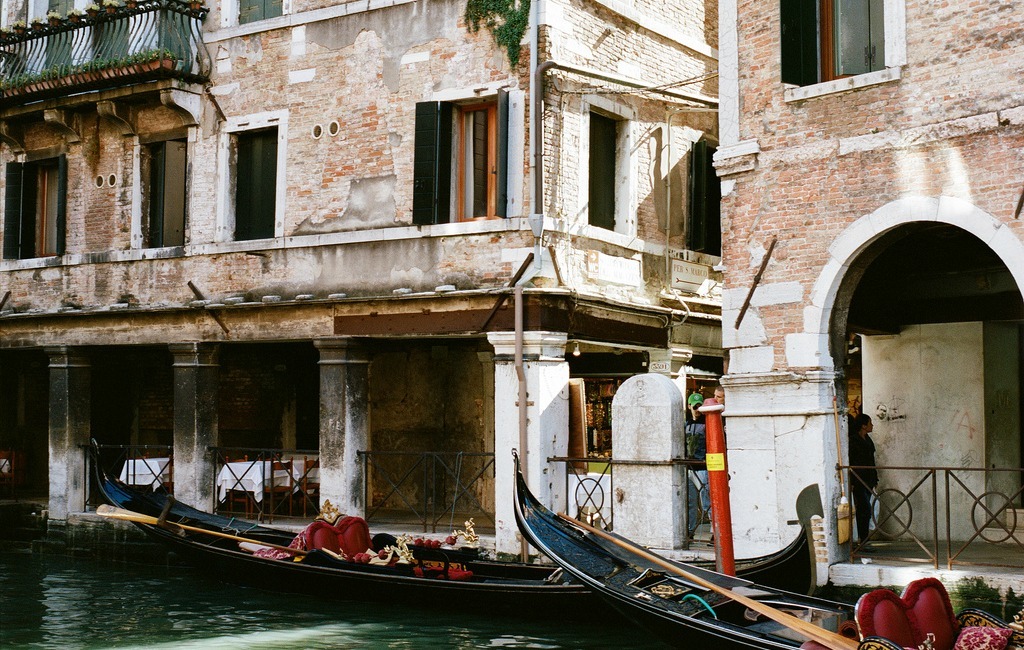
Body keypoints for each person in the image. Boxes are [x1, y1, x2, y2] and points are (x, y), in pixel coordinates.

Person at [848, 413, 878, 542]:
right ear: (863, 426)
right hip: (858, 479)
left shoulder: (868, 440)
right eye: (870, 423)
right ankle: (862, 538)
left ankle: (864, 538)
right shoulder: (854, 440)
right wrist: (852, 480)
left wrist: (875, 478)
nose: (872, 425)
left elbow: (872, 460)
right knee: (863, 508)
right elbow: (852, 460)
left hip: (869, 479)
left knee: (867, 509)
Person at [685, 392, 710, 535]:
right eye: (694, 406)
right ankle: (690, 530)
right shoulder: (686, 423)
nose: (697, 409)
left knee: (706, 503)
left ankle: (714, 530)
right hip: (689, 468)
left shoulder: (707, 423)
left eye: (699, 406)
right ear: (689, 406)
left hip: (702, 468)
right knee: (690, 503)